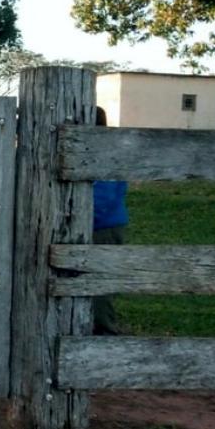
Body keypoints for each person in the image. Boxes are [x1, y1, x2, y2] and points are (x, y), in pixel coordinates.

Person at [92, 106, 128, 335]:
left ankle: (105, 333)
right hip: (99, 222)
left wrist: (76, 220)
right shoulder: (98, 148)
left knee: (98, 283)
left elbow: (103, 194)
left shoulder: (104, 150)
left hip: (103, 225)